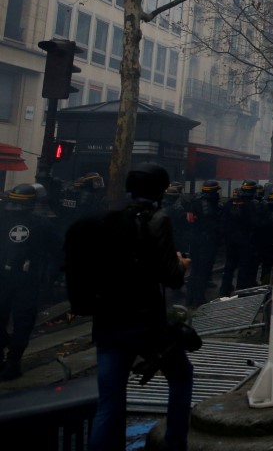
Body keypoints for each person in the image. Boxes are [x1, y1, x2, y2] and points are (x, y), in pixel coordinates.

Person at [88, 163, 192, 451]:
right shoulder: (159, 219)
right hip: (144, 322)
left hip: (108, 321)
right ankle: (174, 444)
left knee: (109, 403)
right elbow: (171, 277)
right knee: (181, 376)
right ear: (160, 190)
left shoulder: (109, 219)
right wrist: (181, 264)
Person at [0, 183, 56, 380]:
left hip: (3, 278)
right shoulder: (42, 224)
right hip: (28, 279)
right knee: (23, 322)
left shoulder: (2, 219)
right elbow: (53, 252)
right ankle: (13, 362)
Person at [218, 180, 261, 296]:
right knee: (243, 267)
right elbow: (256, 224)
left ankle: (224, 290)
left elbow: (222, 220)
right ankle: (240, 291)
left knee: (229, 266)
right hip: (245, 241)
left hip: (230, 240)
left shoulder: (231, 202)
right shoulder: (253, 204)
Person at [185, 180, 222, 308]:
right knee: (202, 271)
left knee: (195, 270)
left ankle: (189, 298)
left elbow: (190, 220)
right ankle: (199, 299)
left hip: (195, 239)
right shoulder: (207, 204)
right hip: (206, 241)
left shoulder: (194, 201)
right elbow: (210, 224)